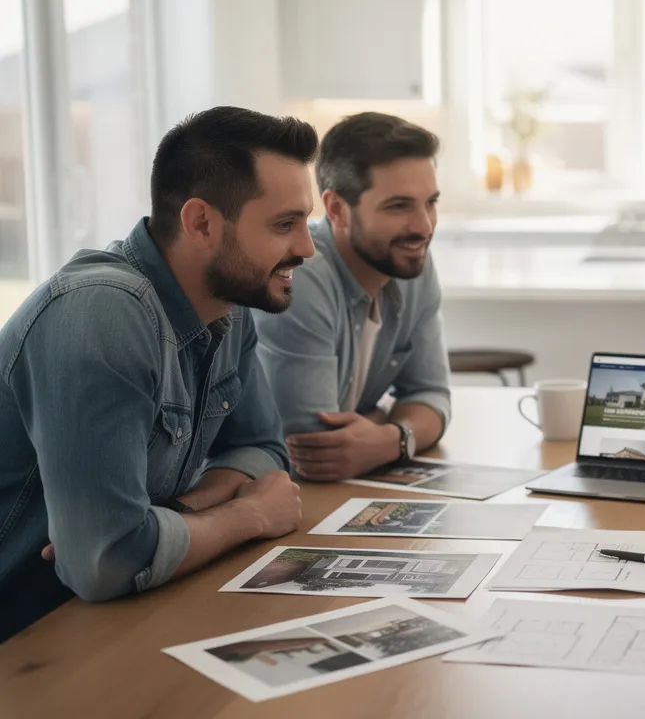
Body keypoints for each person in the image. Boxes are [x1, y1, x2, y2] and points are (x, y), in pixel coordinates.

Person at [0, 107, 312, 642]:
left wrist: (167, 518)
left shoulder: (230, 308)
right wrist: (248, 516)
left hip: (102, 616)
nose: (307, 247)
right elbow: (105, 562)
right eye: (285, 224)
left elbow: (264, 452)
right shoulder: (102, 313)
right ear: (202, 223)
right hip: (28, 631)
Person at [254, 112, 451, 482]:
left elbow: (433, 395)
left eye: (430, 202)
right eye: (399, 206)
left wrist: (391, 437)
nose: (423, 226)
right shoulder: (301, 277)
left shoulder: (412, 265)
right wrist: (386, 417)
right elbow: (316, 452)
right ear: (336, 209)